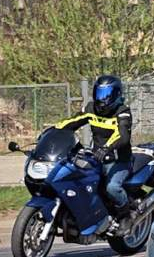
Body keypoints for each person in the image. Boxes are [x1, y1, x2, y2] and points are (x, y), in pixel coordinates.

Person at [54, 75, 135, 217]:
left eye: (106, 95)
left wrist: (106, 148)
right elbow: (74, 121)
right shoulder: (92, 109)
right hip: (96, 159)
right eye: (99, 93)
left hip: (118, 161)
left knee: (112, 188)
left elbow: (122, 136)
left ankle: (126, 214)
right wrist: (54, 130)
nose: (102, 99)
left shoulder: (123, 112)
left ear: (116, 94)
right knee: (78, 181)